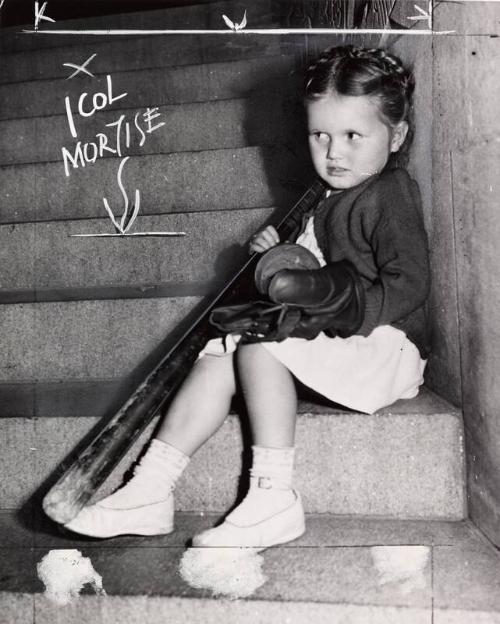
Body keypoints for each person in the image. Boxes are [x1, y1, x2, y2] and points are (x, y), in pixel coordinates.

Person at [63, 45, 430, 548]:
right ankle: (151, 487)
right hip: (325, 334)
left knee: (261, 342)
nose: (333, 152)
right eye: (320, 135)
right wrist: (274, 255)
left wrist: (337, 307)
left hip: (379, 346)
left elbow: (409, 282)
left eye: (352, 136)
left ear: (398, 135)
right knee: (220, 349)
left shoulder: (388, 192)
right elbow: (307, 269)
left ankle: (273, 496)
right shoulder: (320, 198)